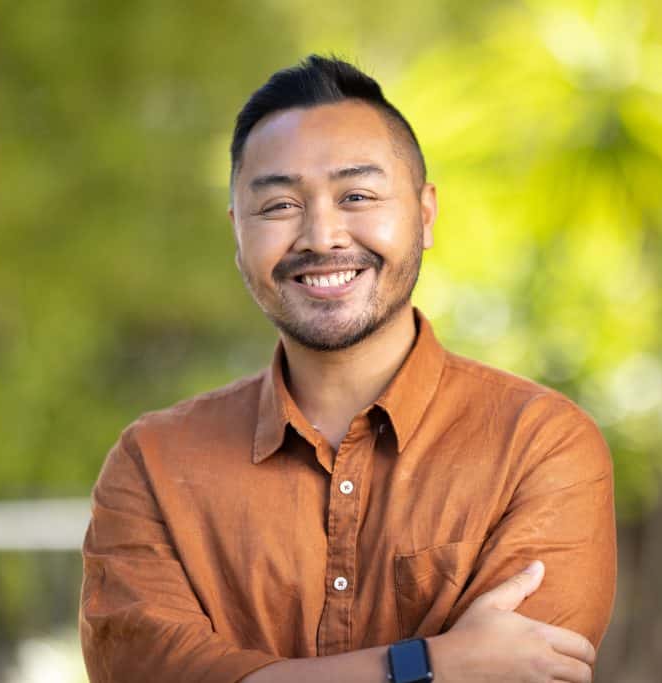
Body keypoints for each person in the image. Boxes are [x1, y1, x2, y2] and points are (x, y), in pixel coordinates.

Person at [79, 55, 616, 683]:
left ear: (426, 213)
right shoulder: (154, 465)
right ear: (238, 233)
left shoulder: (540, 446)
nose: (322, 236)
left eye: (357, 196)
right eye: (279, 205)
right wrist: (427, 665)